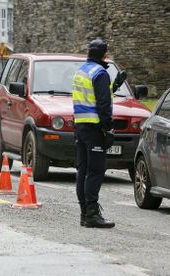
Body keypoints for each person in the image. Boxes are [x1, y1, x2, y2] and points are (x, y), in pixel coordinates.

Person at [72, 39, 116, 228]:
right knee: (96, 171)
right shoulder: (100, 73)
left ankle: (84, 213)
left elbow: (91, 96)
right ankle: (92, 214)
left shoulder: (82, 71)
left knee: (83, 171)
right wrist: (108, 128)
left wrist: (114, 86)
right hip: (95, 128)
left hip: (81, 126)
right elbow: (103, 103)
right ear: (104, 55)